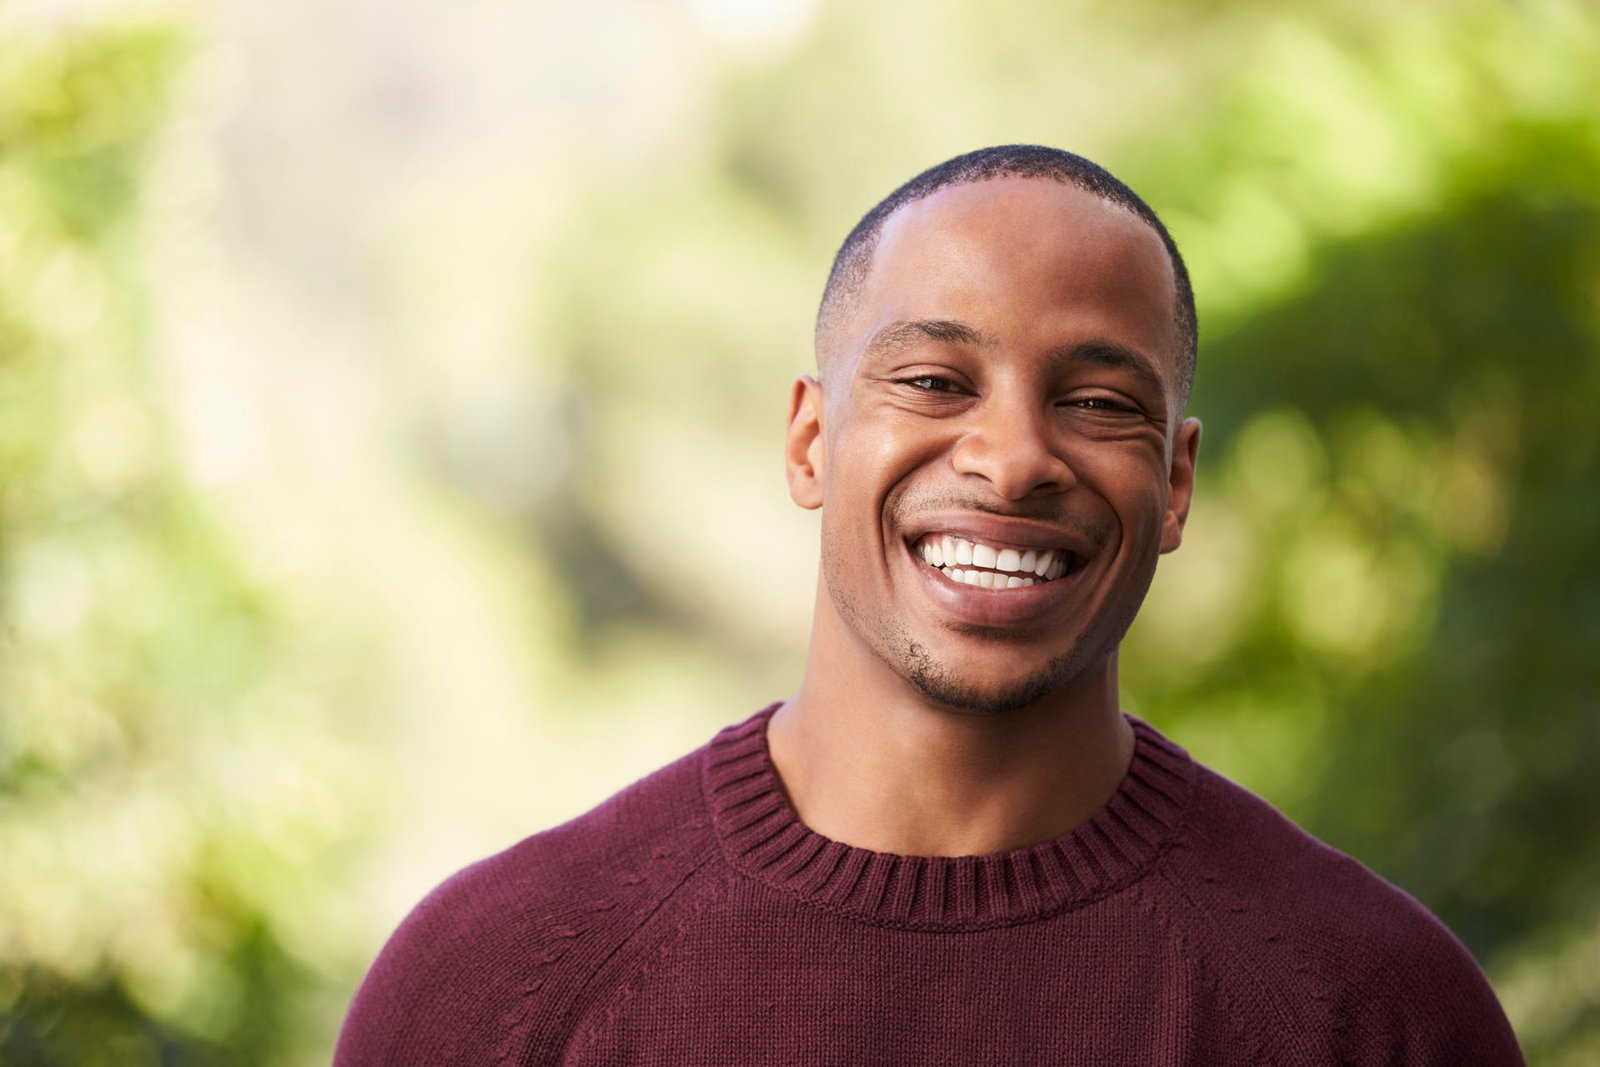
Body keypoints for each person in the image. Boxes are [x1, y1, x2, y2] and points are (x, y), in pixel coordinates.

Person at [334, 145, 1524, 1065]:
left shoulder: (1372, 1011)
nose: (1011, 459)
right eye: (934, 381)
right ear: (810, 438)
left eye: (1100, 400)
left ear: (1173, 483)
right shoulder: (496, 981)